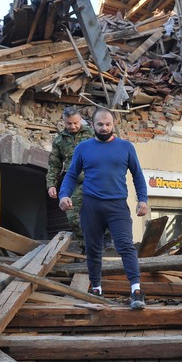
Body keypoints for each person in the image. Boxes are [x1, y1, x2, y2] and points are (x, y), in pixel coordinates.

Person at [59, 107, 149, 309]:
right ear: (92, 125)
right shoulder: (83, 148)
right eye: (100, 124)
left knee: (126, 246)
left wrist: (142, 200)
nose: (104, 127)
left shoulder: (126, 147)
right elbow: (72, 174)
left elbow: (137, 176)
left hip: (117, 206)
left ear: (114, 124)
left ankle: (136, 290)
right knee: (93, 249)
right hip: (91, 206)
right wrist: (64, 195)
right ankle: (96, 289)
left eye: (108, 124)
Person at [47, 106, 94, 250]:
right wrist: (51, 184)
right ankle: (85, 247)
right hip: (74, 183)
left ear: (80, 120)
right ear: (63, 122)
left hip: (95, 181)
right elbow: (54, 165)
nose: (73, 126)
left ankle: (106, 243)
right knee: (73, 216)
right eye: (69, 123)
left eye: (76, 123)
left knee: (102, 212)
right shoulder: (59, 140)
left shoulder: (92, 135)